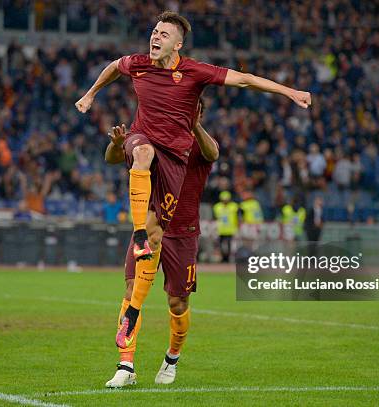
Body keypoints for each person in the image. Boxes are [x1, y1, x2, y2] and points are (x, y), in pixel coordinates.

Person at [75, 11, 311, 350]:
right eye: (154, 31)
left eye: (163, 34)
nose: (155, 37)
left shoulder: (194, 72)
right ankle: (138, 236)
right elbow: (114, 66)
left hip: (173, 161)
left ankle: (144, 317)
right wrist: (91, 93)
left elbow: (245, 80)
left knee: (161, 243)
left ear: (178, 44)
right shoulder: (138, 64)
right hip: (143, 142)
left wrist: (290, 92)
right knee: (141, 154)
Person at [103, 100, 218, 387]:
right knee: (131, 290)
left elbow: (213, 152)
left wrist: (192, 125)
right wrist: (118, 144)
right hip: (151, 227)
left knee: (178, 302)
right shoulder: (150, 139)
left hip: (183, 232)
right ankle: (125, 365)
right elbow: (112, 158)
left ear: (199, 112)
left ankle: (172, 359)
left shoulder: (199, 144)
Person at [213, 191, 239, 262]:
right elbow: (215, 218)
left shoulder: (234, 206)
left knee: (230, 245)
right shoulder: (217, 206)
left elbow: (238, 217)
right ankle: (223, 258)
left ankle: (229, 258)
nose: (225, 201)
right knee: (220, 245)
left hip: (231, 229)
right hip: (220, 229)